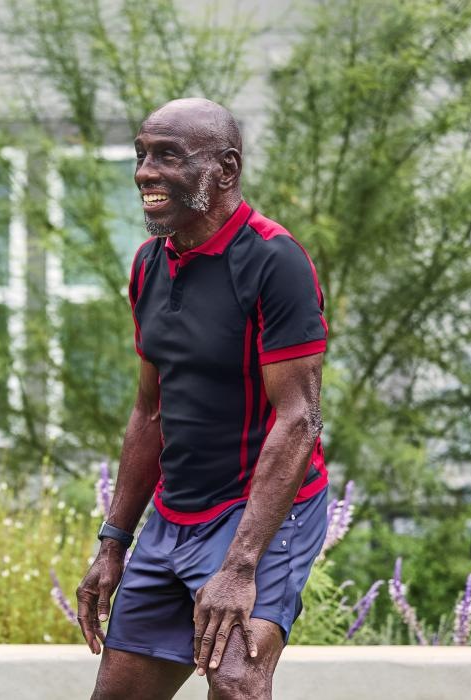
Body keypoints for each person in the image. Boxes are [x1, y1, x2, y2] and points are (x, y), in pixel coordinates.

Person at [75, 98, 330, 700]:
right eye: (141, 155)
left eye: (168, 155)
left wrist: (241, 564)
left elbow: (300, 421)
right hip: (173, 517)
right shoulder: (147, 266)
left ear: (225, 169)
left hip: (261, 514)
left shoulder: (274, 260)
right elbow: (148, 412)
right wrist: (114, 542)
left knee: (237, 680)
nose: (145, 171)